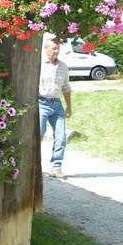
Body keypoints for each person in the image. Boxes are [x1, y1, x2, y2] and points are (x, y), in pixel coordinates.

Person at [39, 39, 72, 179]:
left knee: (61, 137)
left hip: (57, 104)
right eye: (53, 49)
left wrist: (69, 106)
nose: (56, 51)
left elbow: (66, 87)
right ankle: (34, 166)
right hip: (41, 103)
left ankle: (56, 167)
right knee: (38, 135)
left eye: (58, 49)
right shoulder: (39, 65)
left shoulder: (63, 66)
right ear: (46, 50)